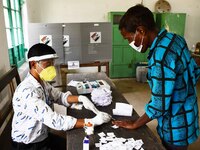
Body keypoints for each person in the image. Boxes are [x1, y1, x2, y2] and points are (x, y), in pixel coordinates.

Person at [112, 4, 200, 150]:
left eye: (129, 38)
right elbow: (193, 70)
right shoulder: (175, 39)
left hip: (175, 124)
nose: (130, 43)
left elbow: (159, 104)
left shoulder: (160, 56)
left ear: (141, 30)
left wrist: (135, 123)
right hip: (188, 112)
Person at [11, 43, 111, 150]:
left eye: (52, 63)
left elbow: (59, 96)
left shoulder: (41, 82)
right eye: (47, 64)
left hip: (42, 135)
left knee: (72, 146)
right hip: (28, 143)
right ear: (33, 64)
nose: (51, 67)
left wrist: (81, 98)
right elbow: (54, 120)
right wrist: (91, 122)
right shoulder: (27, 91)